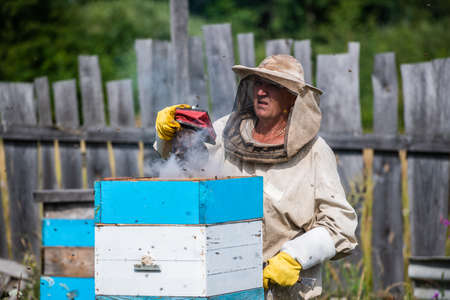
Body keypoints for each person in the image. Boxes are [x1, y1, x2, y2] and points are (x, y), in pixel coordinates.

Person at [156, 54, 358, 299]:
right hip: (225, 283)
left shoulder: (315, 152)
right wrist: (171, 133)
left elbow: (341, 225)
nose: (262, 91)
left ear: (293, 98)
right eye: (259, 83)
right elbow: (186, 169)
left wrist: (295, 257)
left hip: (286, 291)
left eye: (273, 85)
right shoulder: (225, 131)